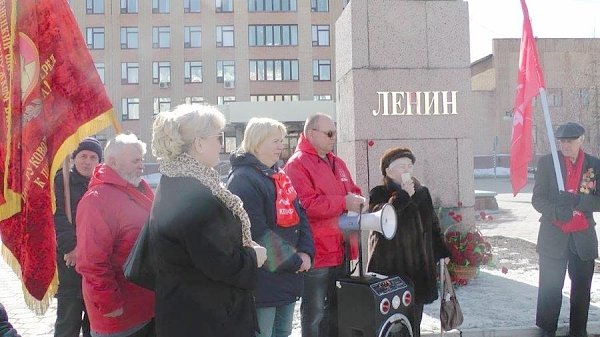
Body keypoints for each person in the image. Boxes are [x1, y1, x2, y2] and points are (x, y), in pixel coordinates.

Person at [149, 104, 267, 336]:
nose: (221, 144)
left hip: (195, 313)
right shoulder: (193, 193)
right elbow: (220, 263)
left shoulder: (182, 180)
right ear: (199, 143)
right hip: (205, 319)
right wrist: (255, 257)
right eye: (218, 137)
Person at [227, 117, 315, 337]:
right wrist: (296, 261)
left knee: (283, 332)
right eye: (275, 141)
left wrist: (307, 253)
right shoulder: (243, 179)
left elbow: (300, 214)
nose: (281, 146)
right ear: (257, 143)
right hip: (263, 280)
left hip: (287, 276)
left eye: (282, 140)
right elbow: (256, 231)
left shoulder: (279, 175)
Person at [283, 113, 364, 337]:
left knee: (340, 311)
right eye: (329, 133)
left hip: (342, 248)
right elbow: (306, 205)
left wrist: (357, 200)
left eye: (335, 133)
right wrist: (343, 202)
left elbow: (352, 191)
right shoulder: (297, 164)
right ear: (311, 134)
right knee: (315, 313)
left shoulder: (337, 162)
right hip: (318, 252)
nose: (333, 138)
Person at [75, 134, 155, 337]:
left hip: (145, 305)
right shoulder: (97, 200)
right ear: (113, 162)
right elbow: (92, 261)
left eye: (142, 160)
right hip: (119, 316)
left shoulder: (142, 189)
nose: (141, 165)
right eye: (135, 160)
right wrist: (109, 303)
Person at [366, 147, 450, 337]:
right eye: (402, 165)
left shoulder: (422, 192)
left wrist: (441, 252)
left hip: (418, 270)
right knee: (389, 323)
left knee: (414, 321)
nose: (407, 170)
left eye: (410, 166)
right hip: (391, 268)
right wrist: (402, 196)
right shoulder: (378, 193)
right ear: (388, 170)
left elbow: (432, 226)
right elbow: (380, 218)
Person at [532, 122, 600, 337]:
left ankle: (578, 330)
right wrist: (555, 211)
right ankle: (546, 328)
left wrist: (578, 201)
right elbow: (537, 199)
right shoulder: (547, 163)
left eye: (570, 141)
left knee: (581, 288)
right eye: (562, 141)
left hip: (582, 237)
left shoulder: (594, 165)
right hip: (553, 235)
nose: (565, 146)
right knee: (550, 287)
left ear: (581, 140)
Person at [54, 137, 103, 337]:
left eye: (93, 157)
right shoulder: (62, 180)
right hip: (71, 260)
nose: (87, 161)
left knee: (94, 322)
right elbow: (56, 215)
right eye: (83, 156)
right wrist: (70, 247)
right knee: (69, 318)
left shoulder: (102, 184)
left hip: (96, 261)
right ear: (74, 159)